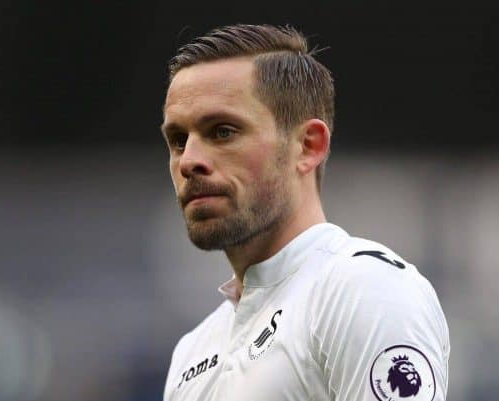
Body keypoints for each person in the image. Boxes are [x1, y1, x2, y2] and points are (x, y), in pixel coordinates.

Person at [160, 24, 449, 401]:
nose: (190, 161)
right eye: (178, 140)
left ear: (307, 146)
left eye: (222, 131)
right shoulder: (192, 351)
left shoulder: (361, 289)